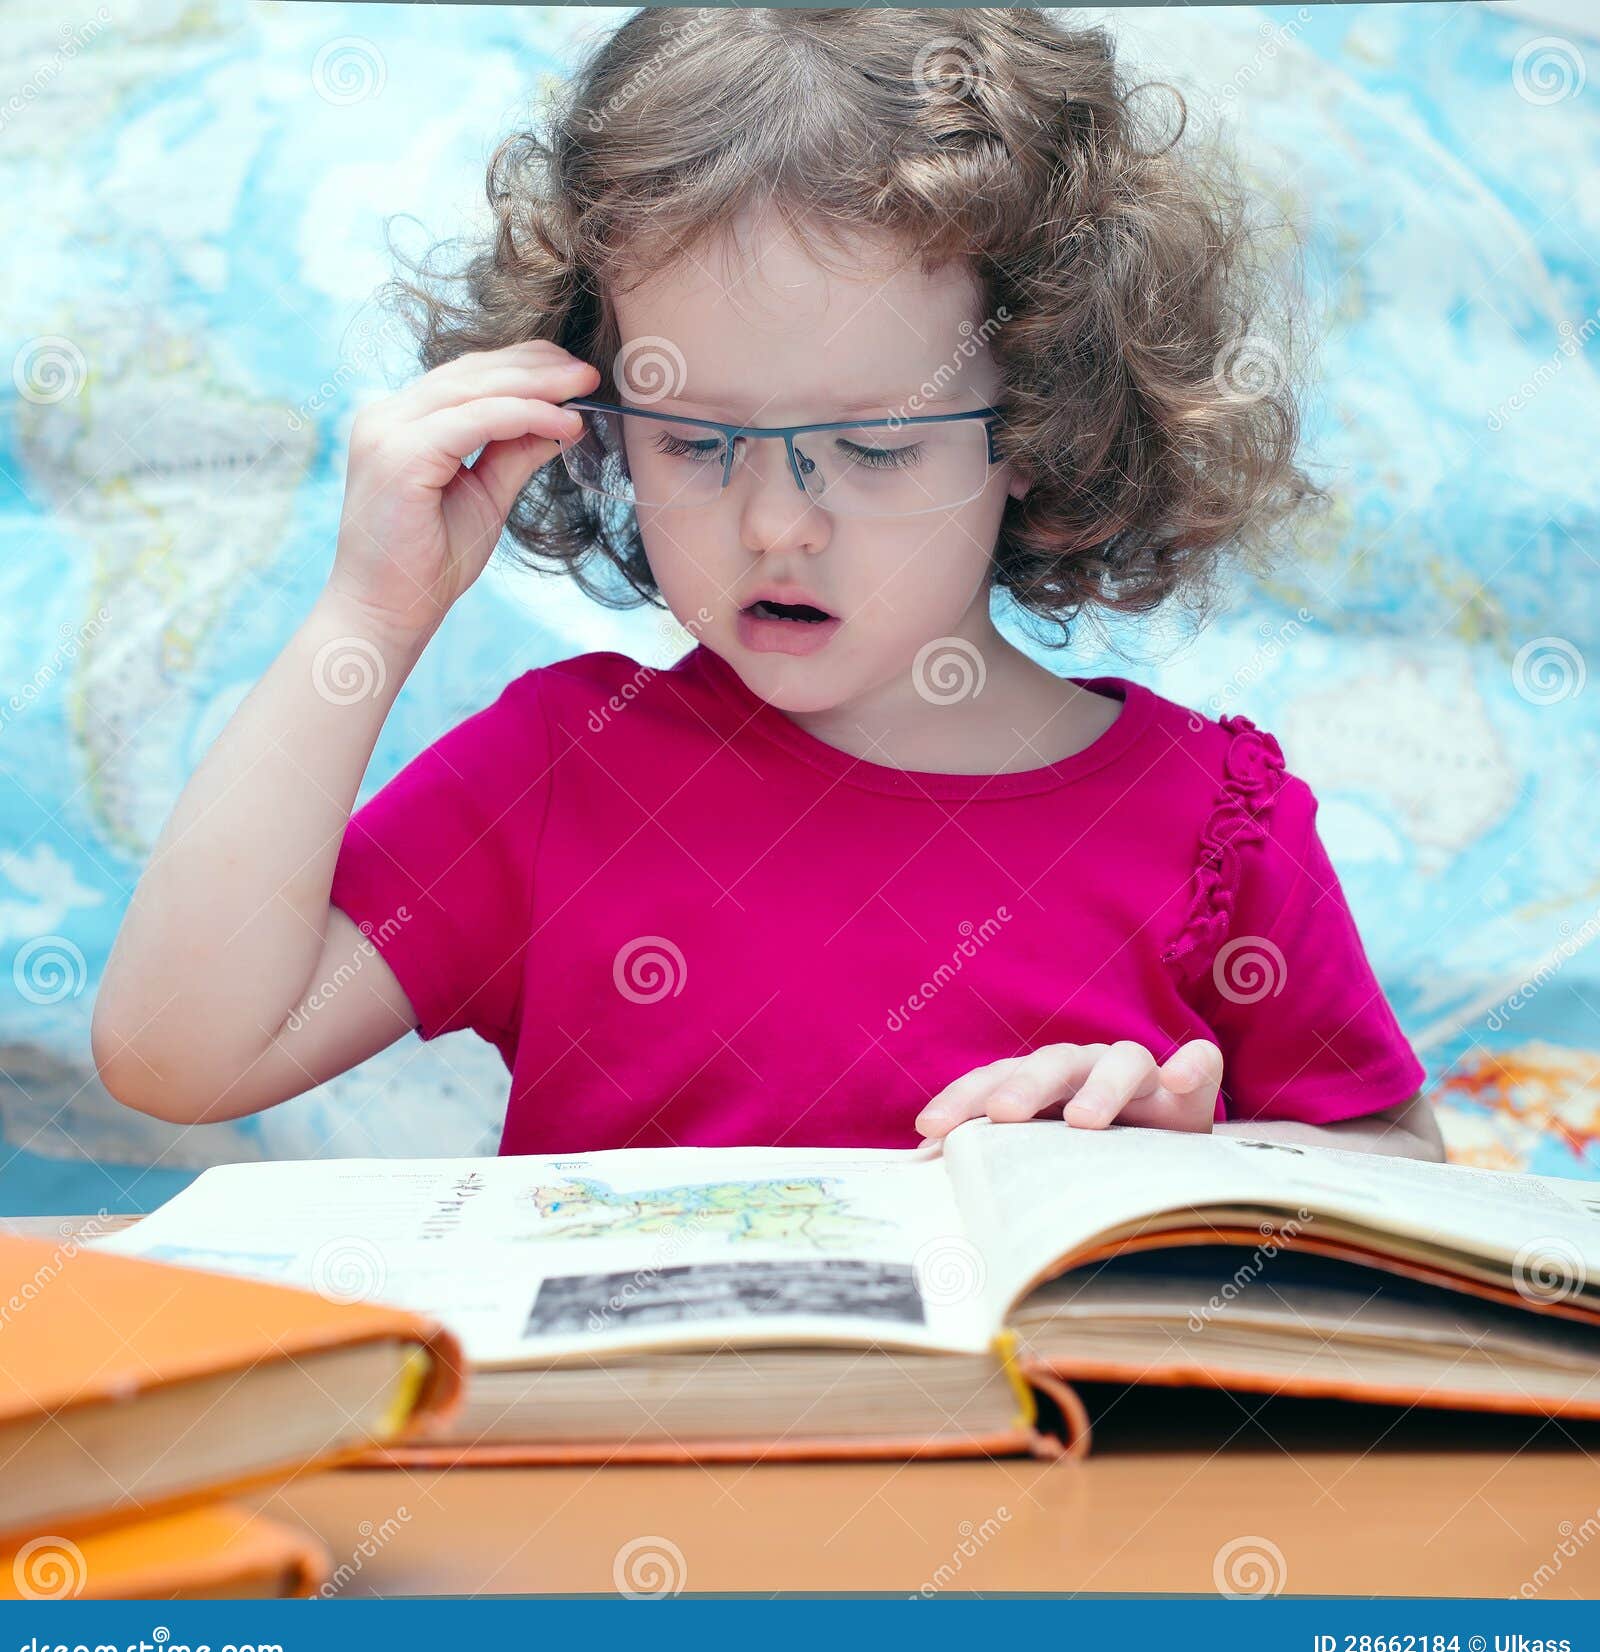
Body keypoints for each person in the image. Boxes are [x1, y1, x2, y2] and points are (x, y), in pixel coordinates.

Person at [93, 9, 1442, 1160]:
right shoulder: (561, 772)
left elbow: (1403, 1162)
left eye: (874, 446)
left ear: (1041, 420)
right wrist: (368, 617)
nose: (778, 522)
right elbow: (177, 1054)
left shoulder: (1217, 824)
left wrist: (1192, 1168)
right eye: (693, 440)